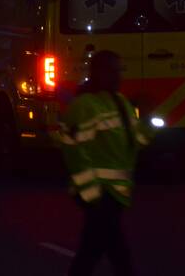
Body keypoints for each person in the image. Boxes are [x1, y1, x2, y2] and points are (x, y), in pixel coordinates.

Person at [57, 50, 153, 276]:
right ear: (97, 73)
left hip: (115, 197)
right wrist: (92, 196)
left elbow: (136, 141)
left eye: (119, 71)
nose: (118, 76)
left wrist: (148, 119)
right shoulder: (85, 106)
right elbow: (74, 153)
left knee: (92, 254)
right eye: (113, 71)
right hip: (102, 196)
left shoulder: (121, 103)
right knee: (117, 257)